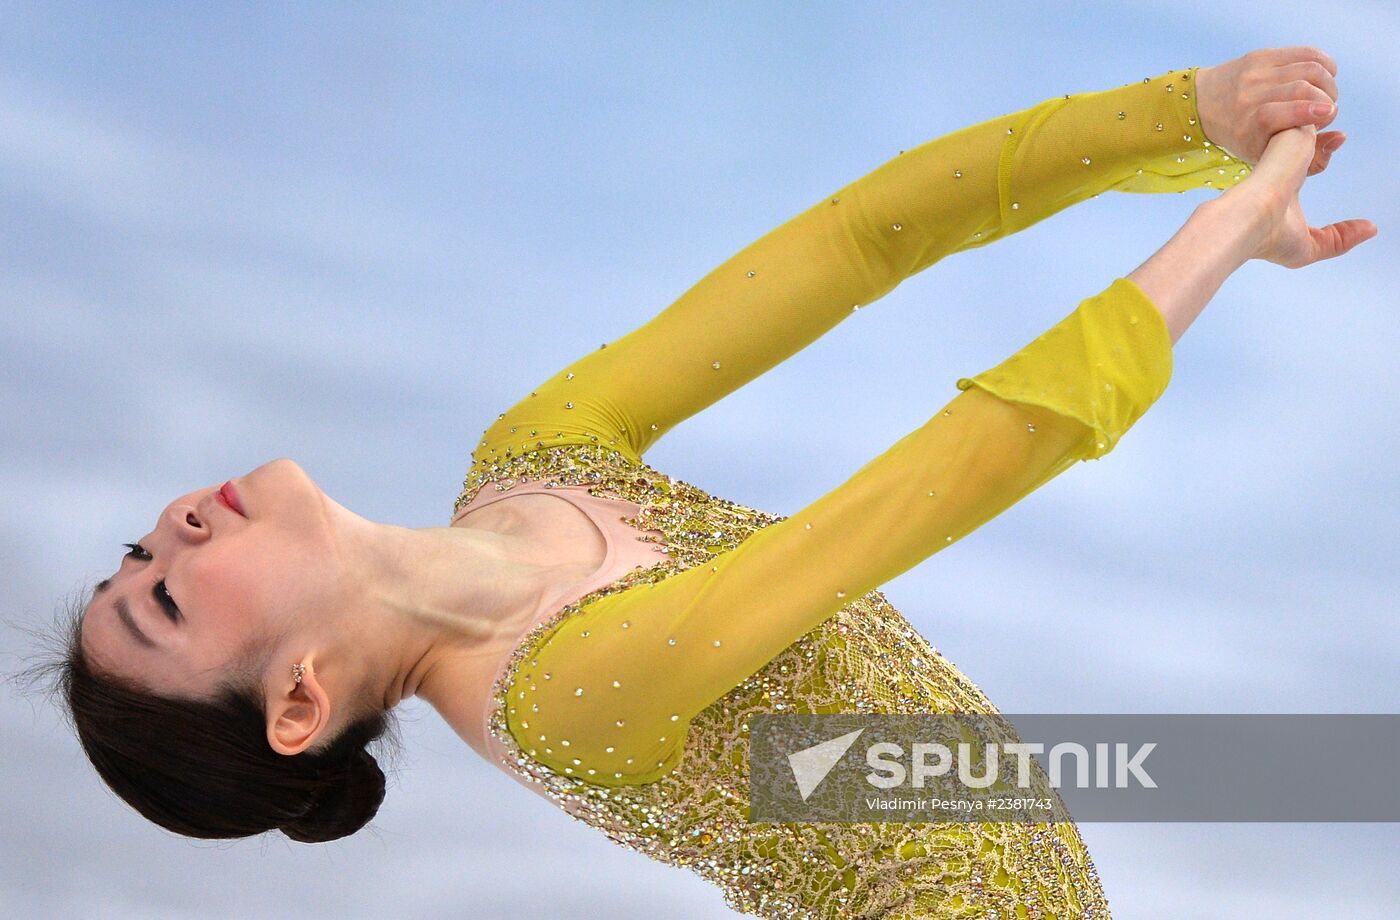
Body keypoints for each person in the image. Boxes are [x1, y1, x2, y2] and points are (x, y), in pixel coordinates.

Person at [30, 46, 1372, 918]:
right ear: (300, 698)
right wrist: (1221, 234)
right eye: (166, 601)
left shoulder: (534, 454)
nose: (169, 532)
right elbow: (937, 483)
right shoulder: (560, 697)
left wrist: (1178, 118)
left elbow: (858, 239)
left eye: (128, 559)